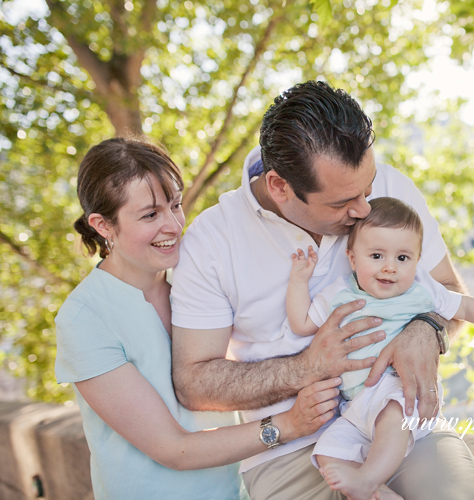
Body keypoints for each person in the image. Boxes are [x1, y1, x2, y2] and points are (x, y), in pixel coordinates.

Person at [170, 80, 474, 499]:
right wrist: (307, 366)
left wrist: (427, 329)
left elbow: (448, 290)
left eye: (368, 188)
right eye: (342, 203)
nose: (363, 209)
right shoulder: (212, 240)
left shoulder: (392, 188)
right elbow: (193, 383)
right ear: (280, 187)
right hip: (286, 452)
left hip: (398, 421)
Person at [55, 137, 340, 500]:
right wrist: (288, 424)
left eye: (175, 205)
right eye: (150, 215)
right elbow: (172, 448)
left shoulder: (195, 280)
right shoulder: (84, 318)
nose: (173, 225)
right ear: (103, 225)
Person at [285, 197, 474, 500]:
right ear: (353, 258)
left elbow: (465, 307)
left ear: (417, 261)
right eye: (377, 256)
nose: (390, 267)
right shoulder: (338, 293)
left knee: (393, 415)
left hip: (406, 390)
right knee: (328, 450)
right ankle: (376, 490)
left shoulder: (421, 290)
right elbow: (301, 323)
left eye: (402, 258)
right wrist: (299, 280)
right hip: (354, 407)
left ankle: (367, 479)